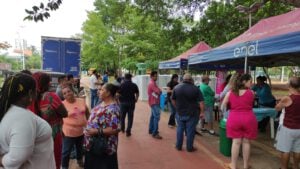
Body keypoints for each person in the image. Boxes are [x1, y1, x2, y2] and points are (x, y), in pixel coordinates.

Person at [0, 73, 56, 169]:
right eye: (36, 91)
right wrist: (1, 160)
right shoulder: (22, 117)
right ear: (31, 93)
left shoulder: (11, 111)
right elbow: (16, 158)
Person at [28, 72, 68, 169]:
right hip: (53, 135)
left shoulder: (29, 98)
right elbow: (65, 113)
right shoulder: (51, 96)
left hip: (36, 137)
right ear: (46, 83)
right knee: (54, 160)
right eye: (49, 81)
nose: (50, 83)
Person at [221, 74, 257, 169]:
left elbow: (222, 106)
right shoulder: (251, 93)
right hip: (249, 119)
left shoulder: (230, 93)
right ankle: (245, 166)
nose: (251, 83)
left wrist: (226, 115)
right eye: (250, 81)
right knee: (246, 143)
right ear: (244, 82)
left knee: (236, 142)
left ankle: (233, 165)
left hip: (234, 119)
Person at [84, 83, 120, 169]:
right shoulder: (102, 103)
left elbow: (115, 129)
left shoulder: (113, 109)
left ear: (108, 93)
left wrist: (96, 131)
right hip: (93, 146)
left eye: (101, 90)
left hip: (103, 148)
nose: (98, 91)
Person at [172, 73, 205, 152]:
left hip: (180, 113)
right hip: (192, 113)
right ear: (191, 80)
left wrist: (177, 108)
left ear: (183, 79)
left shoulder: (176, 88)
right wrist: (202, 112)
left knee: (180, 129)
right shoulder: (196, 89)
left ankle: (178, 146)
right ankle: (189, 148)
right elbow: (201, 103)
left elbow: (173, 100)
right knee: (190, 131)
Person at [61, 85, 89, 169]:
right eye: (64, 93)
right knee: (66, 152)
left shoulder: (81, 100)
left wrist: (88, 123)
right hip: (68, 133)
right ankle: (65, 166)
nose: (67, 94)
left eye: (69, 91)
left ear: (73, 91)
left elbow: (87, 112)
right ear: (63, 96)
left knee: (80, 148)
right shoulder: (62, 104)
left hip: (81, 131)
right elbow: (59, 118)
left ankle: (80, 161)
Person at [274, 76, 300, 169]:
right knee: (297, 150)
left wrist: (279, 102)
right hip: (299, 128)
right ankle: (296, 166)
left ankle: (284, 167)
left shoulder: (288, 98)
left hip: (288, 128)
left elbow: (277, 108)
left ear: (290, 85)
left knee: (285, 150)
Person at [148, 71, 162, 139]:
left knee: (153, 116)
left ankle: (151, 129)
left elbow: (158, 91)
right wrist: (160, 91)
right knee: (157, 117)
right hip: (154, 102)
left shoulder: (152, 83)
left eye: (156, 76)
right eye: (155, 76)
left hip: (153, 102)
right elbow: (158, 91)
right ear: (151, 76)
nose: (156, 77)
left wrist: (159, 91)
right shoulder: (152, 84)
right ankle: (155, 132)